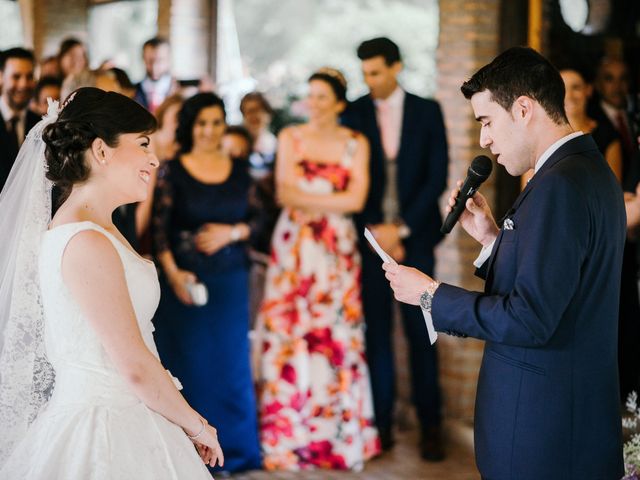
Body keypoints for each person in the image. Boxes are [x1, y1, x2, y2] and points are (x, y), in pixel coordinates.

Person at [383, 47, 625, 479]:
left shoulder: (559, 187)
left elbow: (531, 318)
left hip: (542, 430)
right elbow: (565, 281)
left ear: (524, 109)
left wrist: (429, 294)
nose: (484, 140)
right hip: (565, 419)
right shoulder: (588, 169)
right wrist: (494, 239)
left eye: (487, 121)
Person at [0, 87, 223, 477]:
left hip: (132, 414)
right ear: (102, 151)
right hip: (103, 427)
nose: (154, 160)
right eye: (143, 144)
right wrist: (197, 425)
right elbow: (133, 364)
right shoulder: (85, 241)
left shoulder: (102, 230)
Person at [255, 67, 380, 471]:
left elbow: (357, 199)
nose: (314, 103)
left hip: (336, 250)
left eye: (323, 96)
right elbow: (284, 192)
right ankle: (291, 436)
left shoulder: (355, 142)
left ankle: (337, 437)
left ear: (339, 103)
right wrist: (332, 198)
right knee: (293, 331)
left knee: (336, 331)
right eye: (311, 95)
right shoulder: (290, 137)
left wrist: (313, 202)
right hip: (295, 246)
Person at [341, 37, 448, 460]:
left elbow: (436, 177)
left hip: (415, 241)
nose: (370, 81)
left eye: (377, 72)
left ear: (396, 67)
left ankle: (432, 428)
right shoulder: (354, 111)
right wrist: (372, 231)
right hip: (368, 247)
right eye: (365, 73)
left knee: (423, 335)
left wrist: (400, 228)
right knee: (377, 337)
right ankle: (380, 428)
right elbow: (346, 177)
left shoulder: (427, 110)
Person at [152, 92, 262, 474]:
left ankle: (236, 452)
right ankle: (189, 456)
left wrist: (232, 233)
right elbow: (159, 231)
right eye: (202, 123)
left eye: (217, 122)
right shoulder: (172, 169)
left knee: (231, 367)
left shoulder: (239, 168)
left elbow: (260, 221)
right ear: (190, 127)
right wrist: (174, 274)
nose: (210, 131)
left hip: (230, 280)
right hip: (186, 282)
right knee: (190, 366)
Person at [590, 57, 640, 401]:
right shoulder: (599, 133)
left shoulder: (631, 120)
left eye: (623, 78)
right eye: (609, 79)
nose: (617, 86)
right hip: (614, 231)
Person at [0, 47, 39, 192]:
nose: (23, 84)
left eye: (29, 77)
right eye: (16, 77)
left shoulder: (40, 124)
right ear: (1, 77)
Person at [135, 37, 177, 113]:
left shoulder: (180, 90)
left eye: (160, 60)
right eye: (149, 60)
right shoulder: (133, 91)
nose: (154, 66)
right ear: (143, 59)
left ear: (169, 60)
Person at [240, 92, 277, 178]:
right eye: (248, 111)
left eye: (257, 110)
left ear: (268, 114)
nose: (253, 116)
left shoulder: (276, 145)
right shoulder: (236, 143)